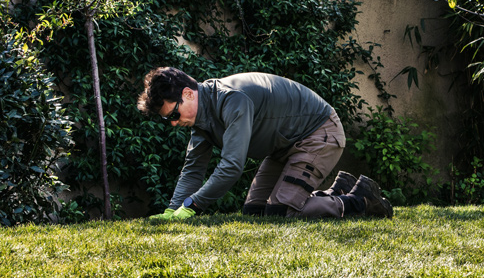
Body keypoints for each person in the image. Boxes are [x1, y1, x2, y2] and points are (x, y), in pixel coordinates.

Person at [136, 67, 392, 220]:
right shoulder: (201, 120)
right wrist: (173, 211)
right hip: (284, 147)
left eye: (173, 114)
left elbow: (232, 166)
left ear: (188, 94)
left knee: (280, 212)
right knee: (255, 212)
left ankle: (361, 201)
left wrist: (193, 205)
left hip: (318, 133)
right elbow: (193, 170)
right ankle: (338, 191)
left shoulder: (231, 100)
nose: (172, 123)